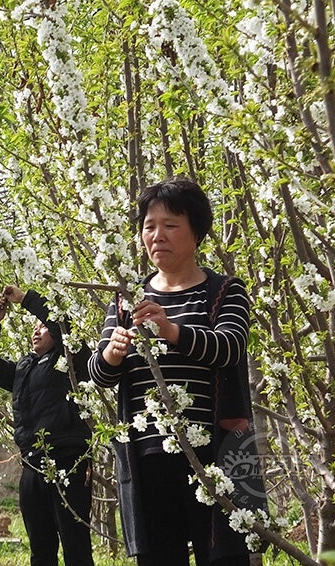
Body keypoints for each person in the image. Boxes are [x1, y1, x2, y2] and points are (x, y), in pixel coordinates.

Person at [88, 178, 260, 566]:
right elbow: (98, 375)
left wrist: (171, 331)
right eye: (149, 226)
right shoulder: (127, 298)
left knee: (223, 555)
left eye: (170, 225)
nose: (157, 236)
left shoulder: (225, 290)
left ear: (196, 233)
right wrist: (112, 355)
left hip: (214, 453)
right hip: (147, 457)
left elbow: (230, 347)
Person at [0, 285, 94, 566]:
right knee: (40, 548)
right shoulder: (24, 368)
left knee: (75, 545)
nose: (36, 331)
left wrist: (27, 299)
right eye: (33, 327)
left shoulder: (70, 359)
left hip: (68, 461)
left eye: (43, 326)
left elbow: (65, 327)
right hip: (32, 464)